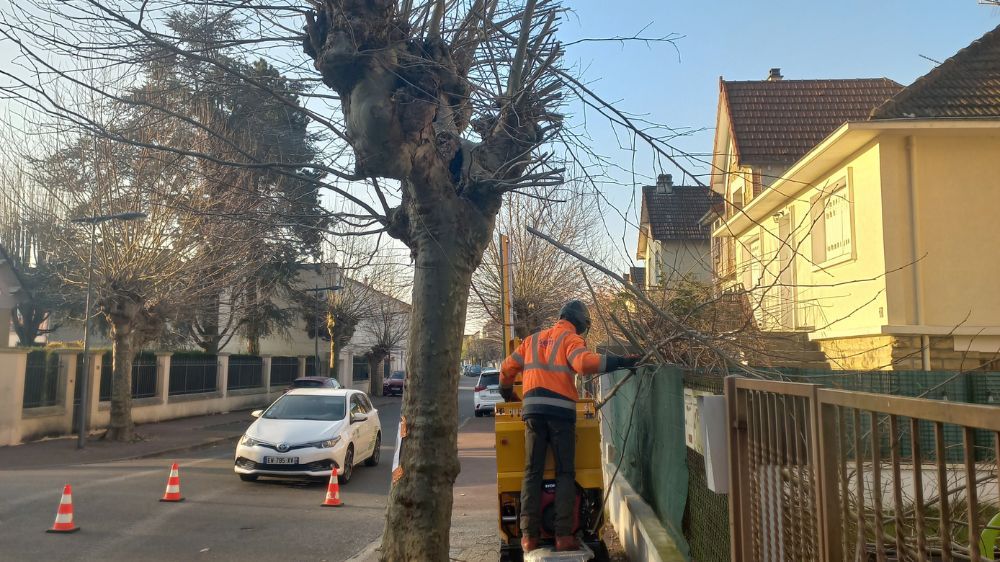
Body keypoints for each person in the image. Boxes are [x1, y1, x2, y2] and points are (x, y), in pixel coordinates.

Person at [499, 300, 638, 553]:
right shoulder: (570, 339)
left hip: (532, 413)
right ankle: (563, 536)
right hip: (561, 414)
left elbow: (507, 369)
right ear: (580, 323)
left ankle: (529, 537)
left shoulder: (531, 341)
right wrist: (621, 362)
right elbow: (583, 364)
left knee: (532, 472)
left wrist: (508, 393)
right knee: (565, 473)